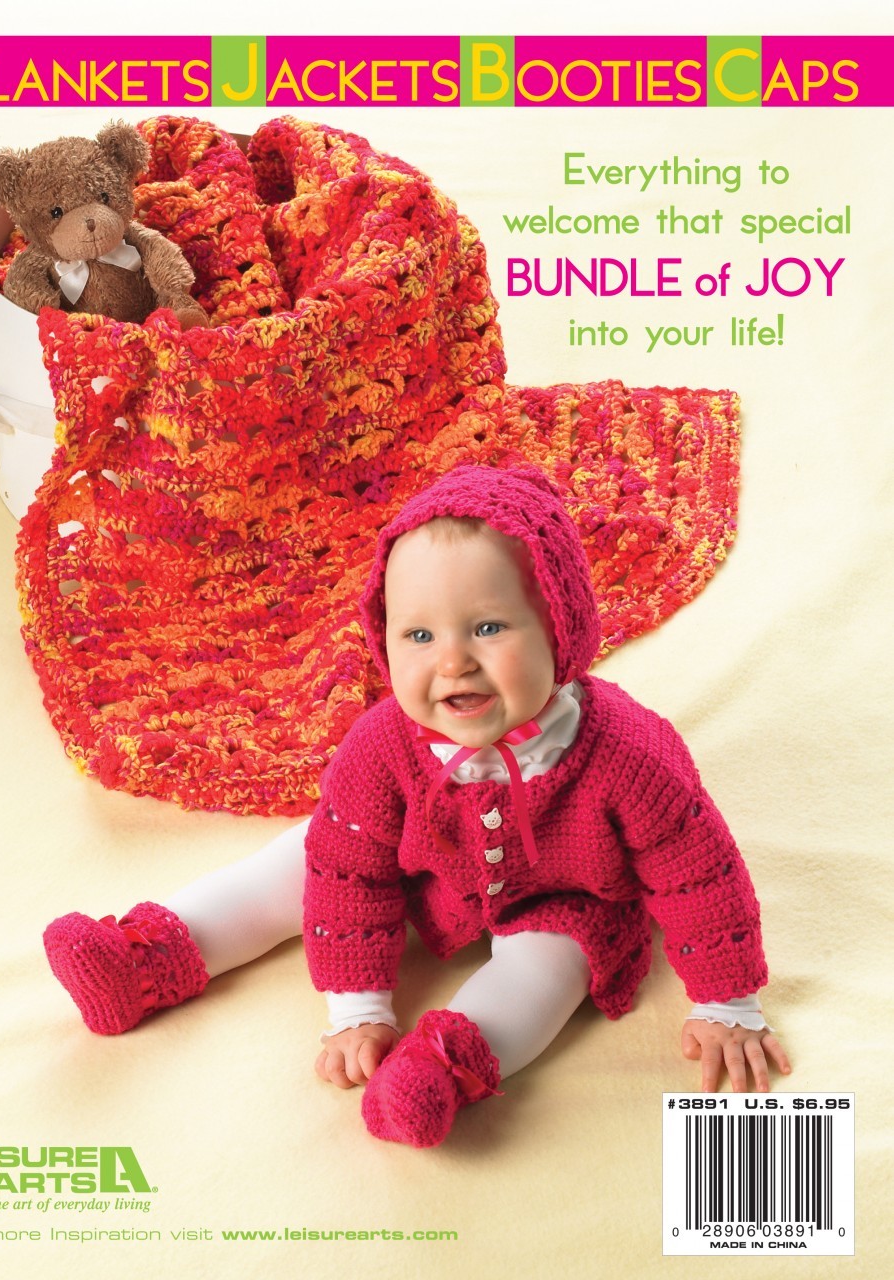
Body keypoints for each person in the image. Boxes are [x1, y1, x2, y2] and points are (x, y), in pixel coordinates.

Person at [44, 464, 790, 1148]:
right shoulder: (382, 749)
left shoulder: (629, 753)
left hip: (567, 895)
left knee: (547, 970)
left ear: (561, 626)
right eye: (419, 634)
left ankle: (445, 1065)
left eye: (489, 628)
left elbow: (699, 873)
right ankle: (150, 955)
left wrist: (729, 1002)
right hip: (422, 868)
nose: (452, 661)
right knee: (293, 866)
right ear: (384, 639)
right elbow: (346, 874)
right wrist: (359, 1010)